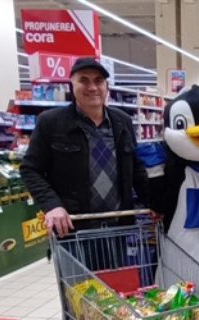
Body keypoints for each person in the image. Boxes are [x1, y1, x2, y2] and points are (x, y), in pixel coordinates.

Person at [21, 57, 151, 241]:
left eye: (98, 81)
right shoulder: (51, 122)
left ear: (107, 86)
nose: (92, 87)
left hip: (119, 228)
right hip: (75, 229)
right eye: (84, 80)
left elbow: (136, 169)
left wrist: (154, 203)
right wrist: (52, 205)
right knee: (80, 272)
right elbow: (30, 169)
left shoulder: (122, 121)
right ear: (71, 85)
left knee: (121, 271)